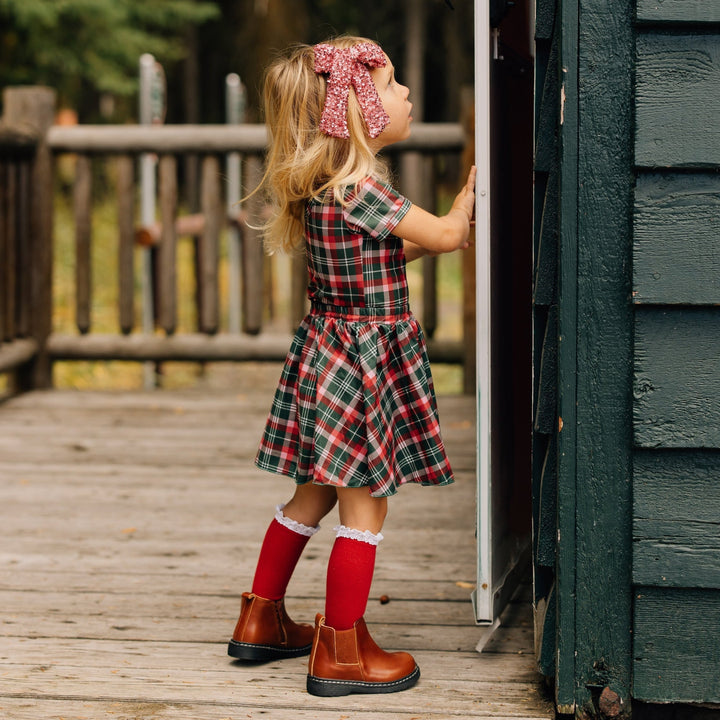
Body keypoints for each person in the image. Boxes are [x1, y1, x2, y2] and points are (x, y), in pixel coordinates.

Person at [227, 35, 476, 697]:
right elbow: (447, 237)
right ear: (361, 112)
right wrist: (470, 193)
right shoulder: (362, 189)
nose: (406, 96)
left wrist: (436, 229)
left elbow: (384, 261)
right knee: (365, 512)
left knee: (310, 493)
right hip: (363, 367)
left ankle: (262, 617)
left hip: (325, 357)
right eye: (393, 88)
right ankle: (341, 651)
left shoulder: (320, 188)